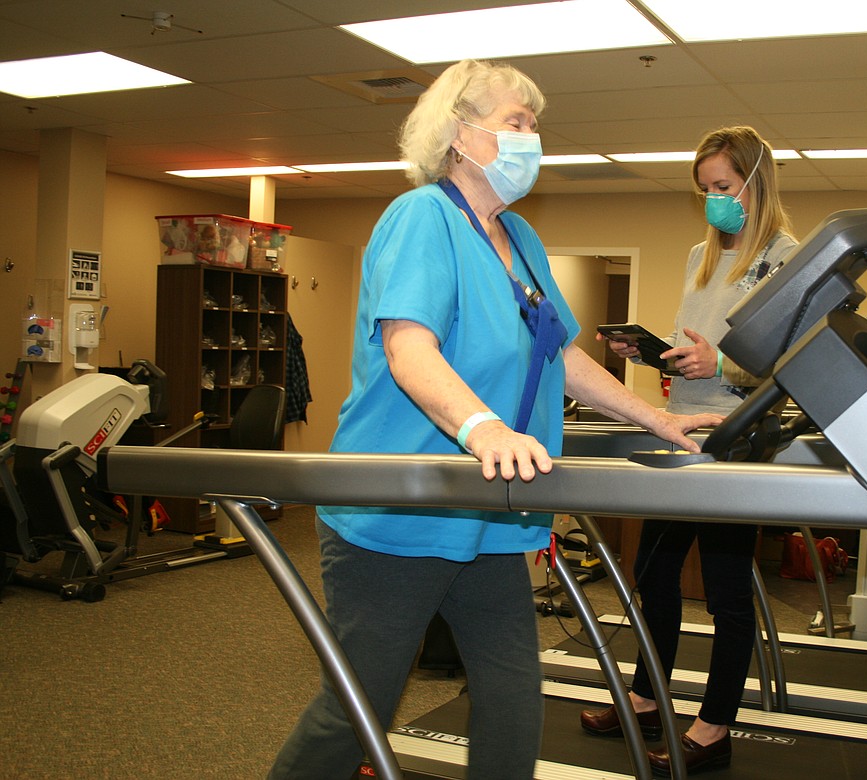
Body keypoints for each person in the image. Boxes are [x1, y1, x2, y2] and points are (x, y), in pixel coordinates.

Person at [268, 59, 722, 780]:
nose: (530, 139)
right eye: (516, 122)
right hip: (399, 513)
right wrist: (484, 430)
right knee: (359, 707)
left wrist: (655, 419)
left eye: (534, 125)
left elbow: (561, 355)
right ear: (459, 133)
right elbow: (408, 346)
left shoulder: (522, 241)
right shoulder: (422, 217)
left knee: (512, 691)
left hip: (488, 511)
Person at [583, 125, 798, 775]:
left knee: (727, 589)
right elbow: (690, 353)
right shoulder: (697, 257)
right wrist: (652, 352)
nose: (713, 200)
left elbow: (786, 365)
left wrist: (723, 364)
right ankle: (649, 695)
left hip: (736, 437)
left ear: (755, 183)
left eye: (723, 187)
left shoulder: (786, 259)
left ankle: (715, 724)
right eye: (704, 189)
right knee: (654, 572)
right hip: (680, 430)